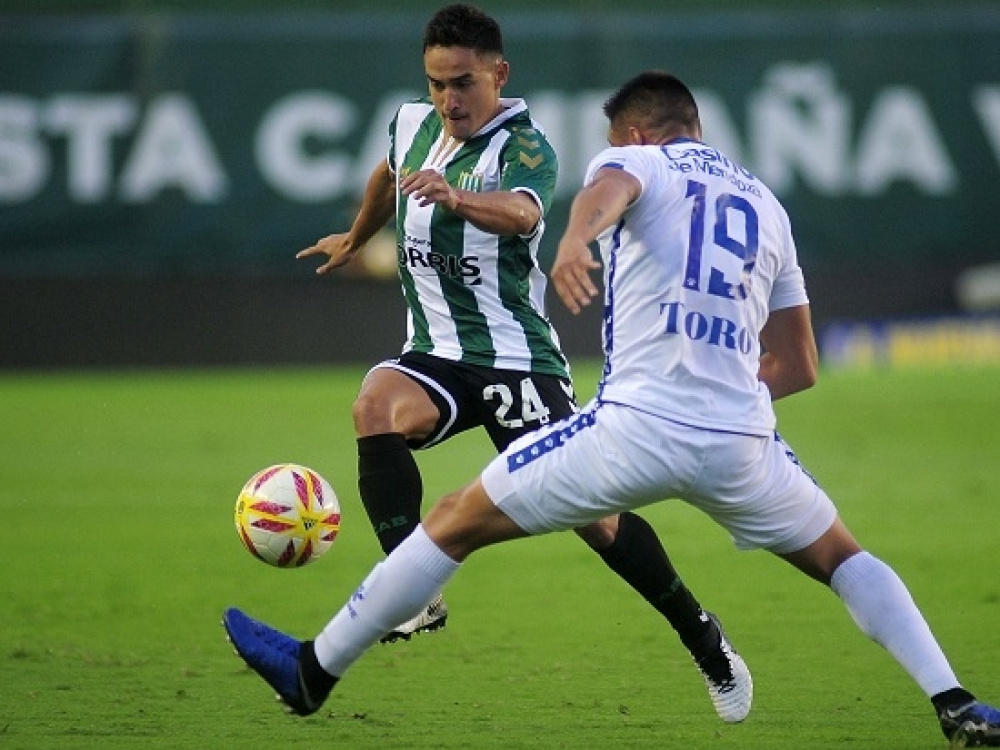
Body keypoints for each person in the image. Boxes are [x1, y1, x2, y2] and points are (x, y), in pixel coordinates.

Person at [225, 68, 1000, 745]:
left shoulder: (632, 159)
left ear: (634, 132)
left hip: (634, 430)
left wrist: (575, 239)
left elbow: (610, 192)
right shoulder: (765, 205)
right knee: (845, 559)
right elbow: (799, 366)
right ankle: (954, 701)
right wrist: (718, 399)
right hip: (743, 442)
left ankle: (313, 671)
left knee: (456, 519)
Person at [289, 4, 751, 723]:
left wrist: (456, 196)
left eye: (464, 83)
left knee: (597, 521)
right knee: (374, 406)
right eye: (437, 83)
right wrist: (355, 236)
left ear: (498, 74)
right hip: (436, 353)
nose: (449, 99)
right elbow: (388, 173)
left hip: (516, 362)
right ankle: (413, 593)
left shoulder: (527, 145)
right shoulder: (412, 124)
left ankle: (702, 636)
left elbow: (524, 214)